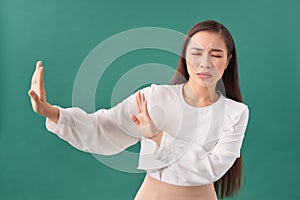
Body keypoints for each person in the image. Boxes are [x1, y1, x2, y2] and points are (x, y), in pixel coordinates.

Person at [28, 20, 249, 200]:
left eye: (216, 55)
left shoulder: (235, 113)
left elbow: (211, 169)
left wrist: (158, 136)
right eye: (196, 53)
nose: (204, 63)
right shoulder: (155, 97)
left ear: (228, 61)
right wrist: (51, 112)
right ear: (184, 56)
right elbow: (103, 128)